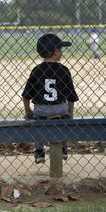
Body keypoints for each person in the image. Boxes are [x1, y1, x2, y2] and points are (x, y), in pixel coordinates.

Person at [22, 33, 79, 164]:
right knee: (64, 121)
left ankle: (39, 151)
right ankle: (64, 148)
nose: (62, 53)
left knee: (36, 123)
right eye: (61, 50)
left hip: (42, 110)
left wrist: (28, 111)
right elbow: (71, 96)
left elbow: (26, 96)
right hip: (60, 109)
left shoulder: (36, 70)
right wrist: (70, 113)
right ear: (55, 52)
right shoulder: (64, 70)